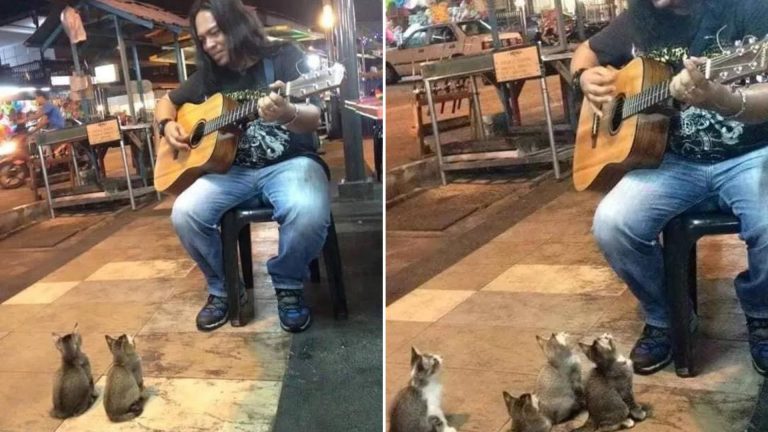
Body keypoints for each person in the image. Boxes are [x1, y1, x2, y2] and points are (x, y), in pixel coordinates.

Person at [571, 0, 768, 376]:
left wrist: (723, 99)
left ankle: (762, 314)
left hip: (751, 153)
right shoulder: (639, 17)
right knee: (612, 223)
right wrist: (584, 76)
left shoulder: (747, 7)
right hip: (672, 163)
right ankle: (666, 316)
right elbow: (586, 52)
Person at [154, 0, 328, 333]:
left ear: (235, 24)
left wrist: (287, 112)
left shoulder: (284, 57)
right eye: (203, 39)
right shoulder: (210, 76)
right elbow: (167, 102)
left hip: (290, 163)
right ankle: (225, 289)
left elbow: (313, 117)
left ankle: (288, 283)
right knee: (185, 213)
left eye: (215, 33)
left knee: (306, 208)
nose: (209, 44)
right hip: (231, 172)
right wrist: (166, 125)